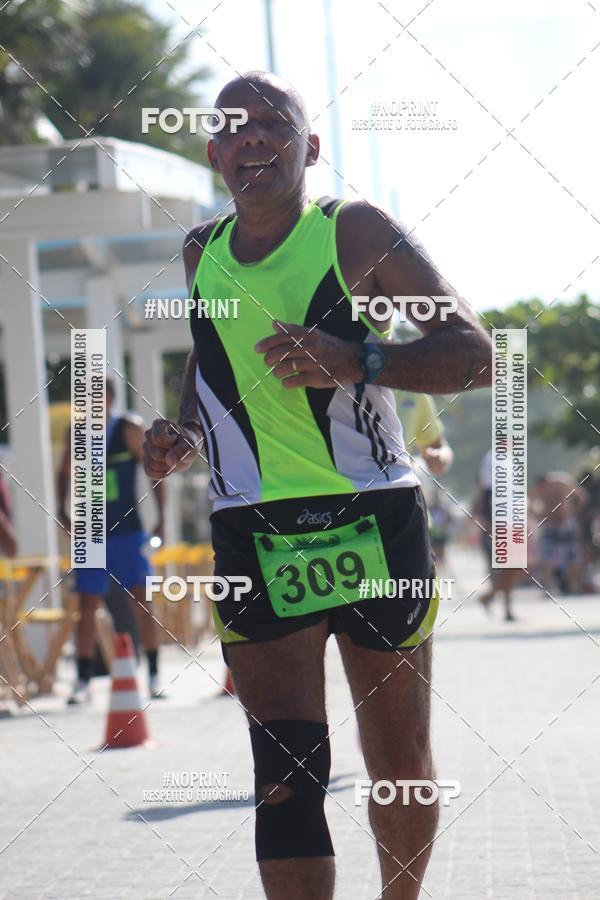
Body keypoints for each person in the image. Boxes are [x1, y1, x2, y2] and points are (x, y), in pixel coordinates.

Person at [143, 71, 492, 900]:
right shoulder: (201, 251)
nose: (254, 136)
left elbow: (475, 355)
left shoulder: (355, 233)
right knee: (284, 774)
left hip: (372, 515)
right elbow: (212, 356)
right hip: (253, 528)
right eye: (234, 126)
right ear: (214, 153)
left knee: (397, 761)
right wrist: (186, 430)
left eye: (275, 123)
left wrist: (357, 358)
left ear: (311, 147)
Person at [58, 378, 166, 702]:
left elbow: (155, 470)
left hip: (128, 531)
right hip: (91, 533)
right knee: (87, 604)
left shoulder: (129, 428)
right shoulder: (77, 433)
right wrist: (62, 510)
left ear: (110, 398)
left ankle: (154, 675)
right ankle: (83, 681)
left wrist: (161, 517)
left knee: (141, 600)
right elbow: (64, 470)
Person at [474, 450, 522, 620]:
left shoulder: (510, 461)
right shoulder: (491, 459)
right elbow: (486, 496)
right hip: (496, 526)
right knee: (504, 567)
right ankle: (506, 609)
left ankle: (491, 597)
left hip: (511, 522)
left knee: (515, 566)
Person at [530, 472, 587, 595]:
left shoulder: (562, 482)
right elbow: (532, 508)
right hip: (550, 524)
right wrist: (541, 516)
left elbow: (581, 496)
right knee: (544, 555)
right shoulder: (537, 491)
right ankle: (549, 587)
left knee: (573, 554)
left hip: (566, 523)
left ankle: (573, 585)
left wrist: (573, 513)